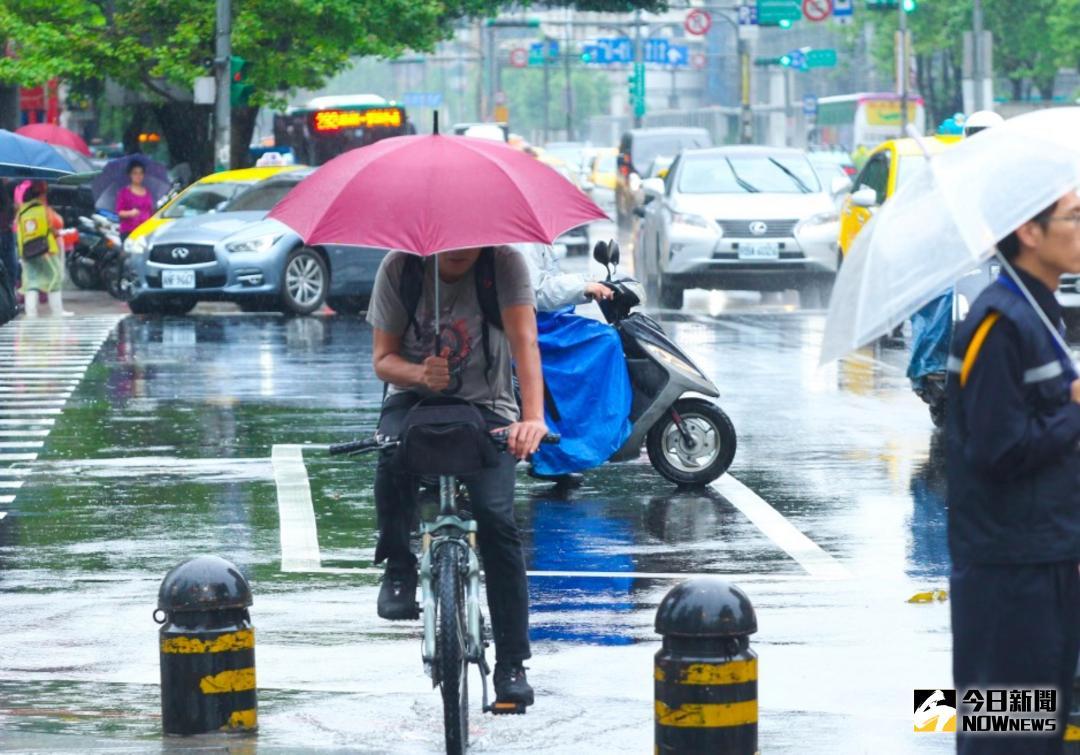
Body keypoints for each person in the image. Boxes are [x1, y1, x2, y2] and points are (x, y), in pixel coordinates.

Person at [366, 245, 548, 708]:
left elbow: (525, 341)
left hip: (488, 407)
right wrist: (418, 373)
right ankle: (399, 567)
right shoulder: (400, 268)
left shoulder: (504, 264)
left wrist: (533, 419)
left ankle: (512, 663)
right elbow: (383, 359)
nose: (462, 249)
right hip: (412, 401)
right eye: (451, 242)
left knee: (497, 519)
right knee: (390, 459)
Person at [946, 190, 1080, 753]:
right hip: (1008, 571)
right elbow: (997, 450)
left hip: (1047, 557)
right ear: (1029, 231)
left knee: (1042, 728)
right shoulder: (999, 322)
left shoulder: (1039, 311)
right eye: (1074, 217)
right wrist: (1074, 411)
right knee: (1006, 731)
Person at [518, 243, 632, 482]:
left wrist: (588, 282)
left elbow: (548, 278)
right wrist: (584, 287)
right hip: (536, 326)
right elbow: (537, 291)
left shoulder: (533, 240)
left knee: (603, 338)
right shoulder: (521, 243)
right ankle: (569, 446)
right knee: (605, 341)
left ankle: (568, 447)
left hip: (545, 320)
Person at [15, 181, 69, 317]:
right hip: (47, 250)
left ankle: (31, 313)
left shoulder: (22, 212)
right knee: (54, 278)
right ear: (40, 195)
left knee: (31, 282)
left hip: (27, 252)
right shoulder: (44, 210)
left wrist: (22, 253)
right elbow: (58, 223)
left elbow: (18, 232)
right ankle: (57, 311)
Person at [115, 160, 153, 240]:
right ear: (130, 175)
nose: (138, 176)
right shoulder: (124, 192)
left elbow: (149, 211)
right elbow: (119, 212)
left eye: (141, 173)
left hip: (145, 231)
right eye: (135, 173)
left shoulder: (147, 192)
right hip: (129, 231)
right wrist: (130, 213)